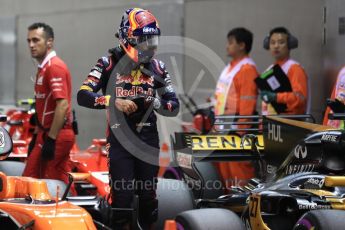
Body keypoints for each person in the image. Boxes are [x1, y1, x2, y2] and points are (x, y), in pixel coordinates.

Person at [77, 8, 179, 229]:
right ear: (127, 38)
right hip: (120, 141)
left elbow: (174, 105)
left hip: (148, 140)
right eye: (144, 40)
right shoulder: (107, 63)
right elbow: (83, 95)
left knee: (148, 199)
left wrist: (155, 101)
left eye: (153, 39)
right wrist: (112, 101)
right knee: (121, 201)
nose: (150, 46)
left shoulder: (158, 67)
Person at [22, 23, 75, 185]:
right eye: (29, 41)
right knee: (57, 179)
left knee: (33, 181)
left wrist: (51, 140)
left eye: (36, 40)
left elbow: (62, 105)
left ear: (49, 42)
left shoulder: (54, 67)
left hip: (56, 135)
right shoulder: (44, 67)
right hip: (46, 133)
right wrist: (36, 137)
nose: (31, 45)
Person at [214, 27, 258, 186]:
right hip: (224, 128)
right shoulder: (229, 67)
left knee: (239, 174)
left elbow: (247, 102)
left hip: (236, 132)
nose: (227, 46)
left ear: (242, 45)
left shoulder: (247, 69)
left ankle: (243, 207)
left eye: (231, 43)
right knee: (225, 173)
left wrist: (241, 130)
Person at [260, 27, 308, 115]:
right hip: (271, 122)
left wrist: (276, 97)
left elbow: (300, 98)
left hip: (289, 123)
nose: (276, 46)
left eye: (281, 42)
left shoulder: (294, 68)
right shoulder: (269, 70)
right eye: (272, 42)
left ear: (289, 45)